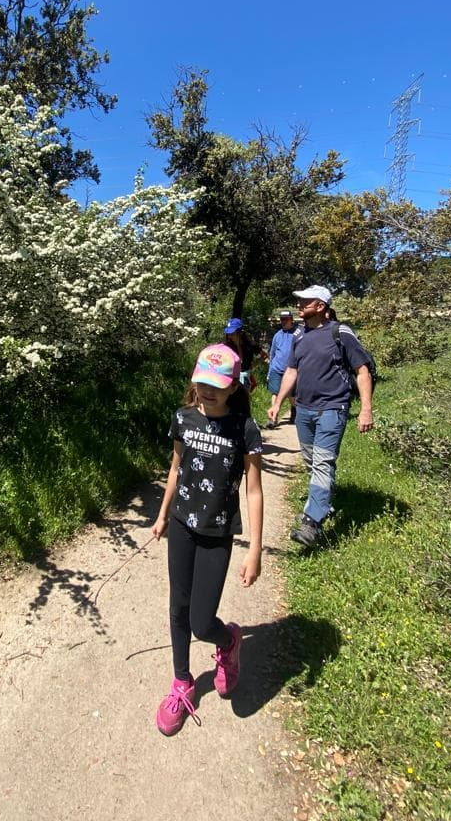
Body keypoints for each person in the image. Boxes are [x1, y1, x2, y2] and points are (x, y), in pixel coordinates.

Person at [152, 344, 264, 736]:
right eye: (201, 382)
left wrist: (255, 549)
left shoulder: (245, 429)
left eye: (216, 385)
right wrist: (163, 514)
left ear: (234, 386)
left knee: (202, 622)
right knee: (178, 608)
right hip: (182, 525)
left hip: (217, 534)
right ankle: (181, 681)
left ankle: (229, 639)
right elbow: (176, 468)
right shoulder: (183, 419)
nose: (207, 390)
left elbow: (253, 490)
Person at [267, 285, 373, 549]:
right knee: (312, 462)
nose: (300, 306)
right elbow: (292, 371)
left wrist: (366, 409)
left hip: (333, 408)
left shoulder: (341, 333)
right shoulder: (300, 336)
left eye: (305, 302)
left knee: (323, 462)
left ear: (321, 306)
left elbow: (362, 371)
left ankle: (311, 522)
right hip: (303, 409)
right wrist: (278, 402)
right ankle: (322, 504)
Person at [266, 310, 297, 423]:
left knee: (291, 395)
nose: (283, 321)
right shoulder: (277, 335)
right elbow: (272, 354)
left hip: (291, 370)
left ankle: (294, 410)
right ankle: (273, 418)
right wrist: (269, 373)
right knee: (275, 392)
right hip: (276, 369)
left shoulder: (296, 334)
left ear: (291, 320)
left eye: (286, 319)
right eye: (282, 319)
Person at [222, 317, 257, 390]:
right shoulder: (228, 345)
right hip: (230, 376)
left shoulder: (249, 345)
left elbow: (240, 361)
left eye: (232, 333)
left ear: (240, 333)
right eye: (229, 334)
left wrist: (254, 365)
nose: (230, 336)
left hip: (243, 377)